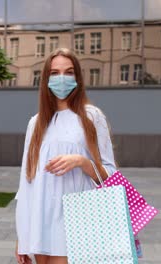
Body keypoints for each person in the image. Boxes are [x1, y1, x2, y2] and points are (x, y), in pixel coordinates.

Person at [14, 48, 117, 264]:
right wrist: (21, 237)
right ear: (46, 79)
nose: (62, 78)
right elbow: (26, 183)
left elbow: (111, 174)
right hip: (40, 220)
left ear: (77, 77)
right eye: (55, 73)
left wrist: (82, 162)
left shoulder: (91, 116)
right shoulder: (36, 123)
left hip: (77, 219)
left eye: (69, 72)